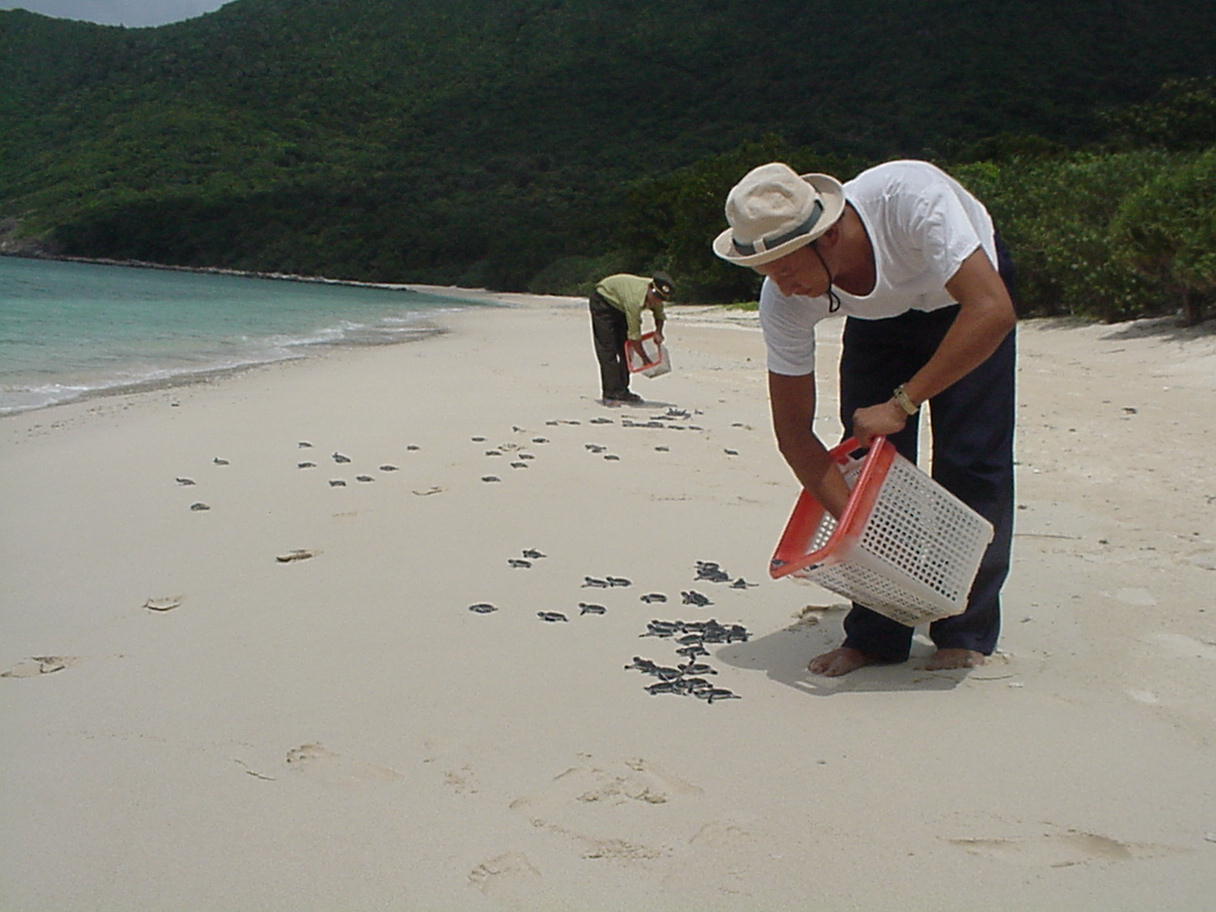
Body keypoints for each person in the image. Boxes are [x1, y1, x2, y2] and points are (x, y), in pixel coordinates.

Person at [712, 160, 1018, 676]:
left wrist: (902, 403)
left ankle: (964, 628)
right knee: (872, 465)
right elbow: (793, 435)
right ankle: (877, 634)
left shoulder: (910, 200)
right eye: (768, 273)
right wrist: (861, 536)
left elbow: (993, 310)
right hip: (878, 319)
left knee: (972, 460)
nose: (782, 287)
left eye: (787, 268)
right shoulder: (783, 297)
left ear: (828, 236)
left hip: (965, 300)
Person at [588, 272, 674, 403]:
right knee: (608, 350)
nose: (656, 301)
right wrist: (645, 359)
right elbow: (634, 337)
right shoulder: (635, 300)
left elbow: (660, 316)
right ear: (651, 289)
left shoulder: (657, 299)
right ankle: (610, 393)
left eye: (661, 299)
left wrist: (658, 332)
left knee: (625, 351)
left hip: (620, 306)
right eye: (655, 297)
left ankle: (622, 391)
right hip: (603, 299)